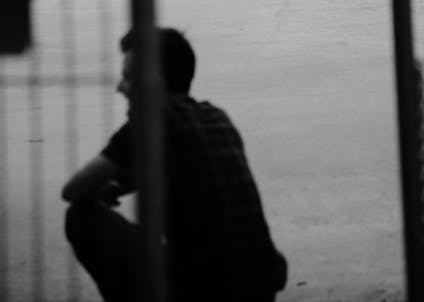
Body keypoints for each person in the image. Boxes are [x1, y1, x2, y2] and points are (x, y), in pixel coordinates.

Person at [62, 28, 287, 302]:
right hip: (260, 288)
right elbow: (176, 166)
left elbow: (73, 190)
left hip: (200, 293)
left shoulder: (147, 125)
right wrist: (118, 186)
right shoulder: (216, 117)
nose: (120, 87)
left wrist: (101, 190)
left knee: (81, 218)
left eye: (128, 78)